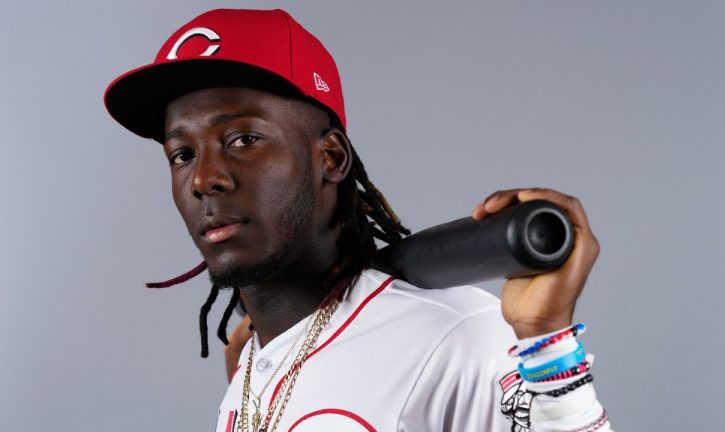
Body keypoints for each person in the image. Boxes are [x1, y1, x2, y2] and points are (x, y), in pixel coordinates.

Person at [104, 8, 611, 432]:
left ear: (331, 158)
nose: (203, 179)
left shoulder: (456, 336)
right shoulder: (254, 369)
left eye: (243, 140)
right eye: (182, 154)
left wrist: (546, 341)